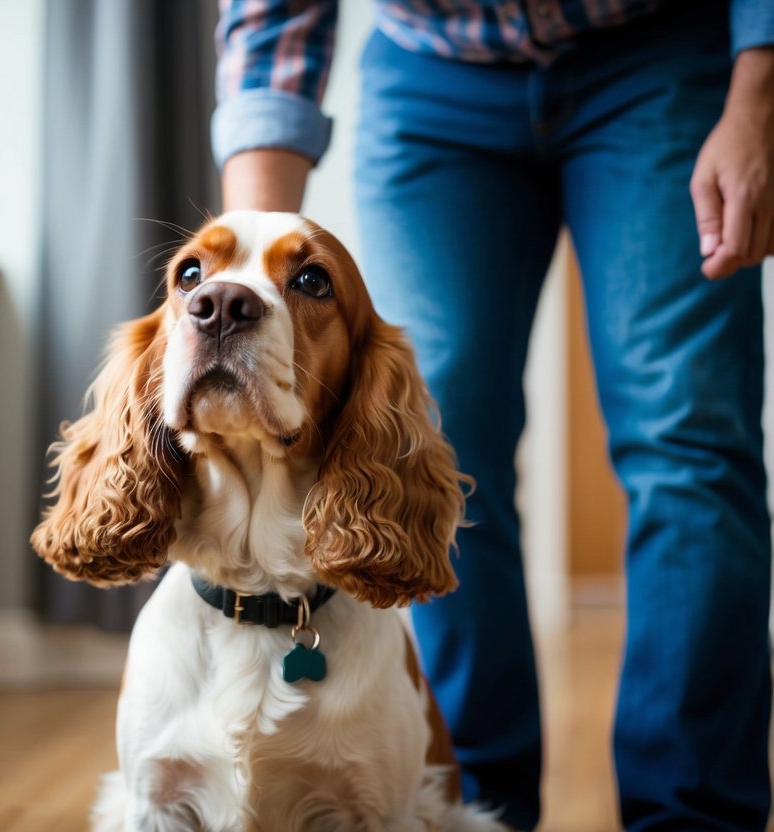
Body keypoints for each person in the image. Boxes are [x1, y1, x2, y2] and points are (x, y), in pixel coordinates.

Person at [212, 1, 774, 829]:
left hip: (663, 50)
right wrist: (249, 261)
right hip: (434, 77)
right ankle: (474, 811)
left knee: (685, 437)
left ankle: (692, 817)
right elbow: (272, 18)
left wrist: (759, 88)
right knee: (432, 446)